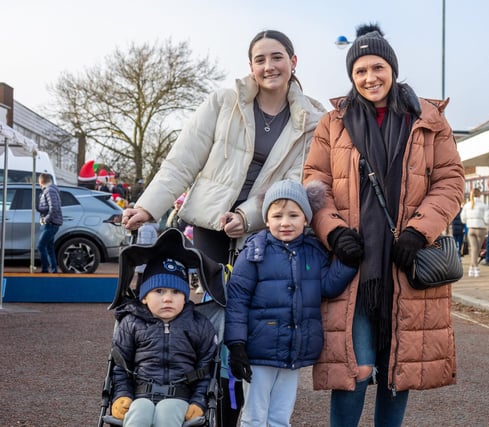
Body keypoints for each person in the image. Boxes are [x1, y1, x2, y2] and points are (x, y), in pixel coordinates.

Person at [121, 29, 325, 427]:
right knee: (207, 322)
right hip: (209, 228)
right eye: (261, 59)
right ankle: (203, 407)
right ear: (250, 66)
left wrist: (248, 216)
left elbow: (295, 180)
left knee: (251, 325)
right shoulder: (223, 102)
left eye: (278, 57)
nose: (269, 66)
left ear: (293, 62)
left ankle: (241, 416)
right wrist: (148, 207)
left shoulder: (311, 119)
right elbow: (183, 160)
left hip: (262, 230)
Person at [303, 23, 464, 427]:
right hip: (353, 266)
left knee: (397, 373)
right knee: (352, 373)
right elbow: (314, 183)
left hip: (406, 263)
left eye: (377, 67)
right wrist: (334, 231)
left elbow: (451, 181)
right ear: (351, 77)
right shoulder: (333, 123)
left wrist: (419, 230)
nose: (370, 77)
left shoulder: (429, 119)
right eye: (360, 71)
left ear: (392, 68)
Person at [224, 180, 357, 426]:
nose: (285, 222)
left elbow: (326, 286)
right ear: (266, 220)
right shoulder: (254, 252)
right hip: (258, 351)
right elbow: (237, 301)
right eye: (277, 216)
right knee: (254, 416)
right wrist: (237, 345)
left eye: (293, 215)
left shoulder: (314, 252)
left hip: (294, 349)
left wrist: (347, 262)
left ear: (306, 219)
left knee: (280, 417)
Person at [110, 256, 217, 426]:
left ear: (185, 297)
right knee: (139, 412)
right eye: (159, 291)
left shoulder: (199, 325)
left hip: (181, 395)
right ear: (144, 297)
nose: (168, 298)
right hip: (140, 394)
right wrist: (122, 394)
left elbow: (206, 371)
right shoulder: (131, 323)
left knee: (167, 411)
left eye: (176, 292)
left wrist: (199, 402)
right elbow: (120, 367)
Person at [460, 188, 489, 277]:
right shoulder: (483, 205)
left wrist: (469, 222)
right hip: (480, 229)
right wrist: (485, 223)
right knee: (477, 249)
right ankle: (475, 267)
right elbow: (488, 219)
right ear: (479, 195)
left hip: (470, 229)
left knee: (474, 248)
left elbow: (463, 218)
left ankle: (472, 268)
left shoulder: (467, 205)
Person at [36, 173, 63, 273]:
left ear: (41, 181)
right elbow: (50, 206)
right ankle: (53, 270)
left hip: (50, 223)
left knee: (41, 246)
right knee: (49, 247)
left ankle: (45, 269)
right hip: (50, 223)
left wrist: (46, 219)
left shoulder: (49, 190)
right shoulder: (50, 190)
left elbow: (54, 207)